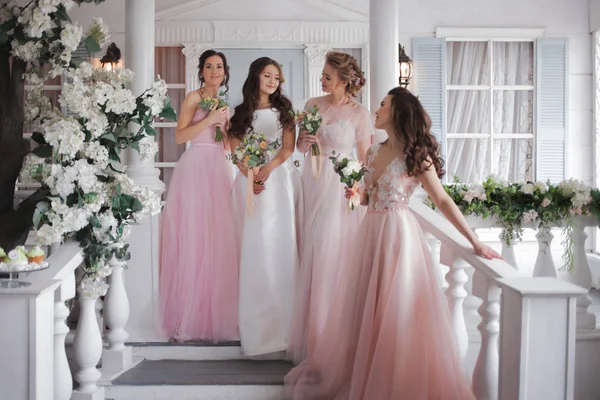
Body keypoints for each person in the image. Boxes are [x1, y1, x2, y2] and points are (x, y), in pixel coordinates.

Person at [284, 86, 501, 400]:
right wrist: (357, 195)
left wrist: (474, 241)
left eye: (383, 104)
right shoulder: (374, 152)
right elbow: (368, 197)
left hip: (398, 237)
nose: (377, 108)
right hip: (371, 232)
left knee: (397, 313)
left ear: (397, 112)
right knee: (366, 311)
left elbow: (442, 200)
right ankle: (366, 376)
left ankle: (394, 386)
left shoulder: (416, 155)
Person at [288, 51, 373, 363]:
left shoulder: (360, 113)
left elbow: (365, 159)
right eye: (322, 75)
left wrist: (360, 190)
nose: (322, 80)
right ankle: (312, 333)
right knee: (310, 248)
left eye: (327, 76)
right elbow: (299, 146)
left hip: (340, 183)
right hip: (312, 178)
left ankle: (331, 334)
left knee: (331, 251)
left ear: (343, 81)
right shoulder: (312, 104)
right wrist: (305, 141)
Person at [159, 49, 239, 342]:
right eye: (209, 66)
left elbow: (228, 146)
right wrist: (209, 120)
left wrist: (226, 127)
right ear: (202, 72)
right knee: (194, 239)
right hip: (195, 168)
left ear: (225, 72)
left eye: (219, 66)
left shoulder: (224, 104)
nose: (215, 71)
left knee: (218, 241)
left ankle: (215, 317)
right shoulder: (194, 97)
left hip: (219, 168)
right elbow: (180, 136)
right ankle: (187, 317)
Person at [229, 57, 302, 356]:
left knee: (279, 247)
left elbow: (288, 148)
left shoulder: (285, 110)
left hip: (277, 182)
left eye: (277, 77)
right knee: (253, 248)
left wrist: (267, 170)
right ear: (256, 77)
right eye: (267, 75)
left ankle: (283, 328)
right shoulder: (240, 113)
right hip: (249, 184)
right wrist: (249, 174)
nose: (273, 81)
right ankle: (254, 327)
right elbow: (234, 149)